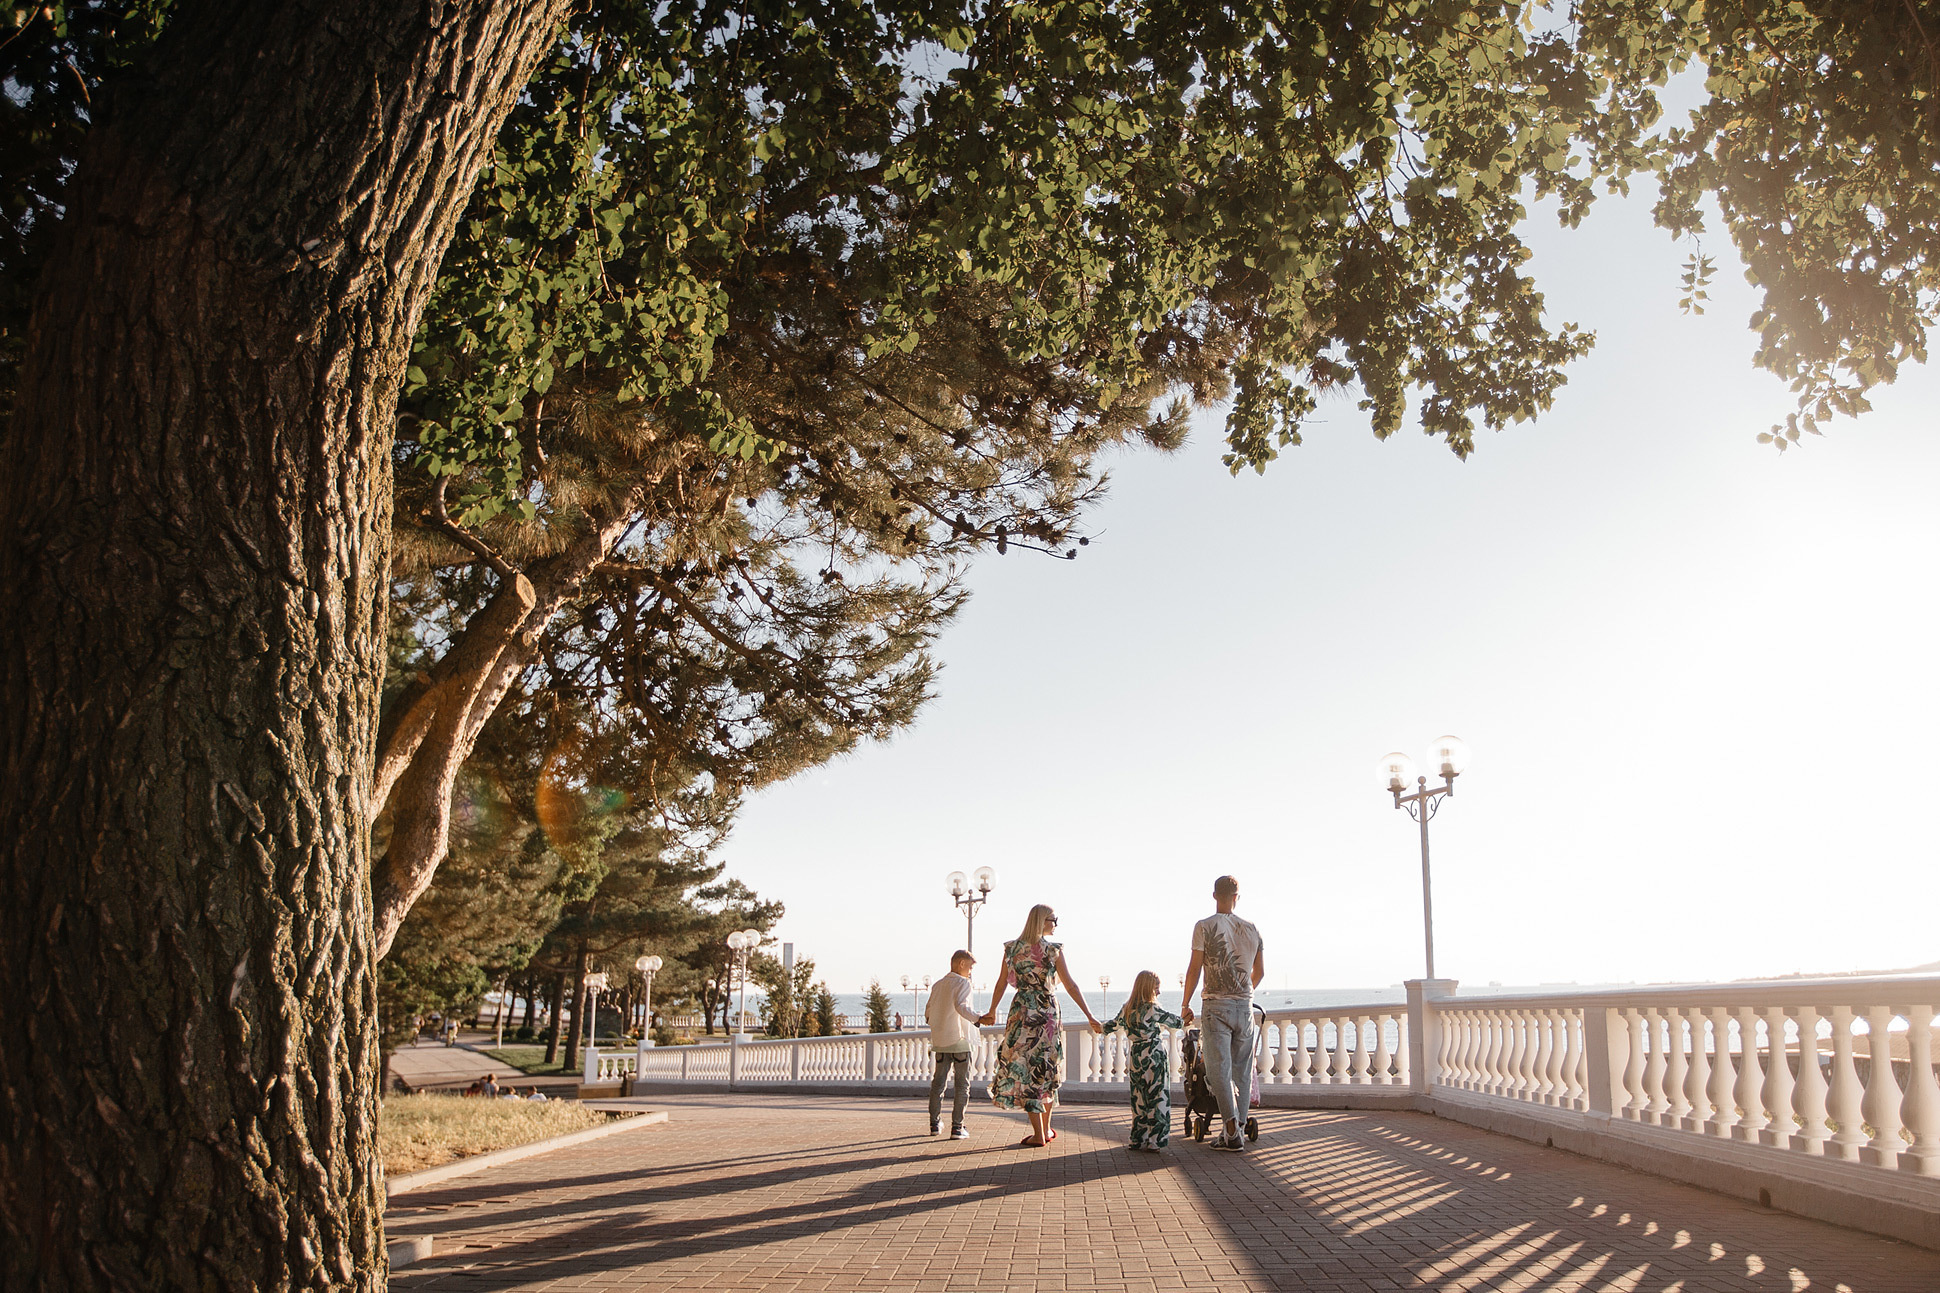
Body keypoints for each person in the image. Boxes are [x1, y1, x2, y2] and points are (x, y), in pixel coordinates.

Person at [979, 904, 1102, 1147]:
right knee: (1045, 1068)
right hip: (1046, 1012)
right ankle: (1041, 1132)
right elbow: (1070, 985)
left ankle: (1041, 1132)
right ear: (1042, 921)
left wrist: (992, 1010)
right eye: (1053, 919)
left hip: (1022, 1011)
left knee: (1025, 1068)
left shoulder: (1012, 949)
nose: (1056, 923)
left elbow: (1001, 984)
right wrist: (1089, 1015)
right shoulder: (1053, 950)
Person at [1180, 875, 1264, 1151]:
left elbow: (1195, 968)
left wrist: (1185, 1003)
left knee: (1218, 1070)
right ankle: (1236, 1129)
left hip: (1216, 1005)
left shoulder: (1204, 926)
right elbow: (1260, 972)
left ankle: (1230, 1126)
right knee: (1242, 1070)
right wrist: (1242, 991)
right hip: (1245, 1007)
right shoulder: (1252, 930)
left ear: (1215, 895)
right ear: (1237, 897)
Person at [1100, 971, 1184, 1151]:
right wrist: (1186, 1016)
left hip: (1136, 1055)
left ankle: (1137, 1138)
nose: (1159, 992)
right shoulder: (1152, 1009)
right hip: (1154, 1054)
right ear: (1148, 988)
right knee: (1158, 1095)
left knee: (1139, 1097)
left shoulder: (1127, 1008)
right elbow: (1176, 1022)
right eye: (1157, 988)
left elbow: (1111, 1026)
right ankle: (1155, 1140)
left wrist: (1096, 1024)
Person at [925, 950, 982, 1139]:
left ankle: (935, 1124)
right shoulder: (963, 983)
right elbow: (961, 1006)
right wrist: (978, 1019)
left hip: (940, 1041)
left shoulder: (937, 985)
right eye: (971, 967)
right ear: (961, 964)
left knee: (938, 1084)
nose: (971, 972)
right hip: (960, 1041)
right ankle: (957, 1127)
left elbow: (928, 1012)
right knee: (962, 1085)